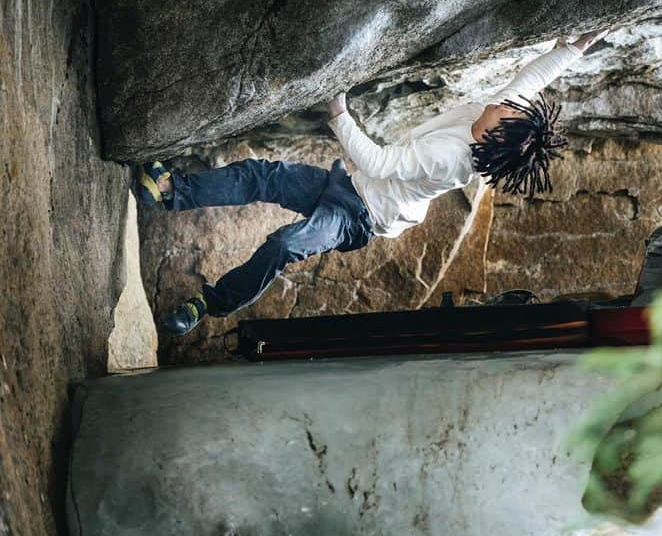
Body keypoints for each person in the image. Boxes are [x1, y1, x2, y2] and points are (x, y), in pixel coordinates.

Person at [135, 30, 609, 335]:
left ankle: (206, 305)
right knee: (261, 175)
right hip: (346, 185)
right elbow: (530, 80)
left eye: (509, 110)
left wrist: (339, 112)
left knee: (284, 245)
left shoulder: (451, 158)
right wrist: (572, 49)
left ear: (494, 138)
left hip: (358, 216)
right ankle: (175, 192)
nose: (508, 101)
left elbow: (380, 163)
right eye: (512, 105)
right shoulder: (500, 121)